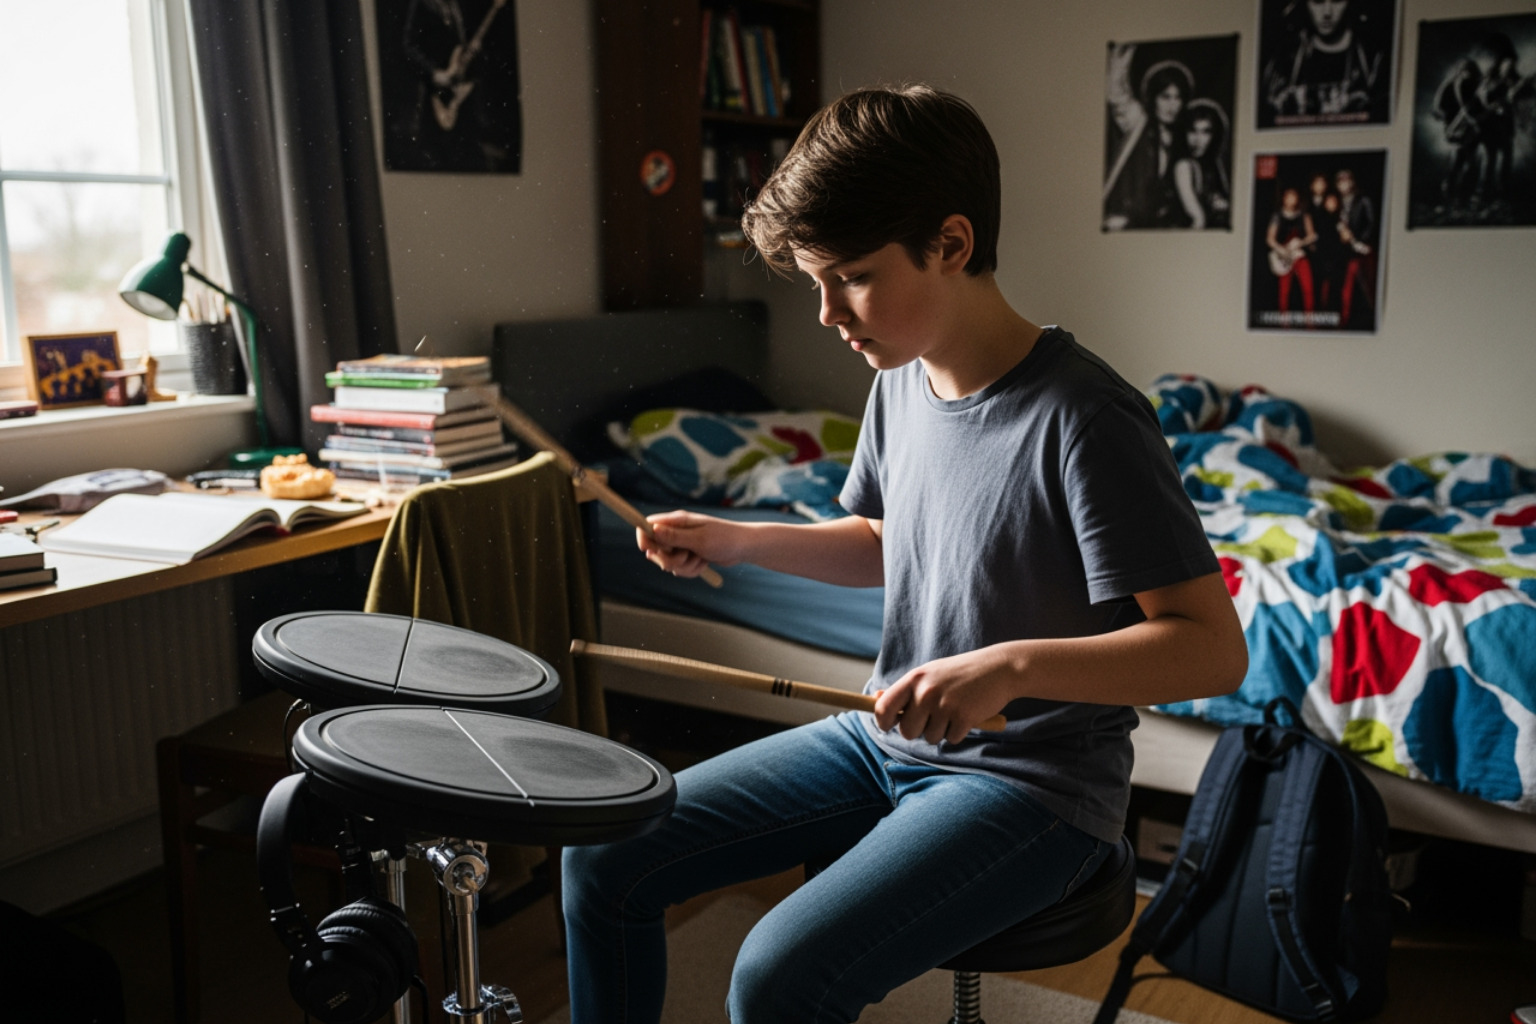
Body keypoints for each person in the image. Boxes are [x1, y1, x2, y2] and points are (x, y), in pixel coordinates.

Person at [561, 84, 1248, 1023]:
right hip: (884, 744)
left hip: (1035, 787)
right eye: (814, 282)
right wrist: (737, 538)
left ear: (953, 245)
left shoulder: (1088, 418)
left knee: (774, 976)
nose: (826, 312)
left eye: (849, 275)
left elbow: (1211, 647)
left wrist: (1008, 667)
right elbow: (891, 541)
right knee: (602, 856)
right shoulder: (900, 383)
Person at [1104, 47, 1194, 229]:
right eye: (1165, 97)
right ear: (1153, 98)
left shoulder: (1182, 138)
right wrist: (1124, 50)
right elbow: (1116, 92)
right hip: (1120, 223)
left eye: (1178, 98)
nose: (1172, 105)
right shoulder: (1137, 120)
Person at [1262, 0, 1386, 124]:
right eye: (1318, 1)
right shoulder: (1285, 60)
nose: (1327, 12)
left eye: (1337, 1)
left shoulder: (1372, 60)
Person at [1172, 99, 1231, 230]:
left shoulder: (1213, 166)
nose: (1198, 139)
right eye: (1192, 131)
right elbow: (1198, 219)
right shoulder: (1184, 166)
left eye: (1206, 132)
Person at [1265, 187, 1318, 321]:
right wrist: (1281, 249)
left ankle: (1309, 321)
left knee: (1308, 289)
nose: (1291, 199)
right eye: (1288, 196)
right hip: (1284, 258)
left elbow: (1312, 235)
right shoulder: (1277, 215)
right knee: (1284, 291)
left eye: (1293, 196)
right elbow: (1270, 239)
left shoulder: (1304, 215)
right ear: (1283, 198)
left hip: (1300, 255)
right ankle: (1284, 321)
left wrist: (1300, 242)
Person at [1334, 168, 1376, 329]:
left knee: (1363, 286)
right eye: (1340, 181)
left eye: (1346, 180)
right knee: (1343, 288)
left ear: (1352, 181)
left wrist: (1359, 241)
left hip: (1360, 251)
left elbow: (1371, 224)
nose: (1344, 184)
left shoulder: (1363, 199)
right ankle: (1343, 320)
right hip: (1341, 252)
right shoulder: (1336, 201)